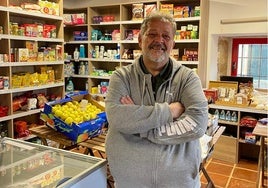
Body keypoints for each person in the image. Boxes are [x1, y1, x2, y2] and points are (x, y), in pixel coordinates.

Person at [105, 11, 208, 188]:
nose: (159, 40)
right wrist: (170, 111)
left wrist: (142, 128)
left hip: (178, 182)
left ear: (172, 43)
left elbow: (197, 124)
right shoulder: (121, 77)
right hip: (131, 181)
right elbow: (117, 117)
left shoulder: (188, 78)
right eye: (152, 34)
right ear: (140, 40)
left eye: (166, 36)